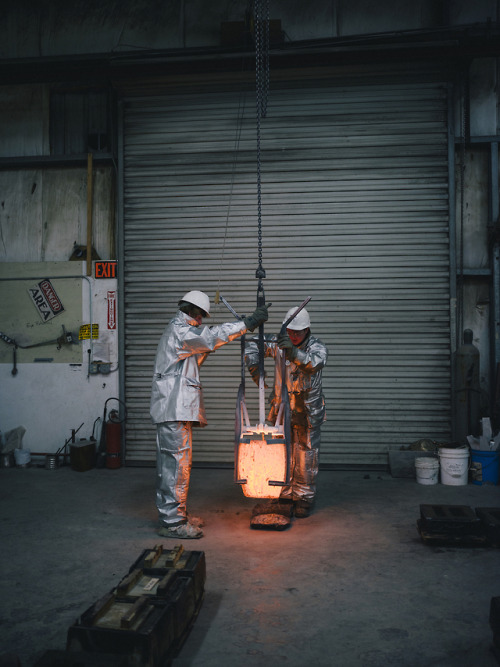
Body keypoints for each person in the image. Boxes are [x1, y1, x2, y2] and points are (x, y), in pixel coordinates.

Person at [150, 290, 269, 539]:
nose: (202, 321)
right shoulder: (180, 331)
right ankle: (172, 523)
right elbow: (210, 336)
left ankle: (177, 515)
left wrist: (226, 335)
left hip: (175, 409)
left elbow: (202, 345)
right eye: (200, 316)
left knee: (179, 466)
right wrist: (245, 325)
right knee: (174, 467)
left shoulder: (182, 332)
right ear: (191, 312)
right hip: (173, 409)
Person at [245, 306, 327, 517]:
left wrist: (293, 351)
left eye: (297, 333)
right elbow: (252, 345)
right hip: (282, 408)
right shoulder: (277, 343)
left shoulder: (317, 346)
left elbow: (314, 363)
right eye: (290, 332)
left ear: (307, 330)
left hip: (307, 411)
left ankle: (304, 497)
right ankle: (284, 492)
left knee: (306, 455)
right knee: (282, 451)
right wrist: (257, 372)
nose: (293, 336)